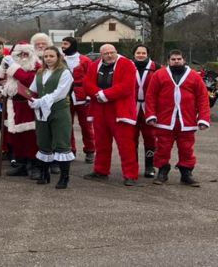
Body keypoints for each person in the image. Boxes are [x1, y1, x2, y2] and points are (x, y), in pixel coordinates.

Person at [145, 49, 211, 186]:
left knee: (186, 148)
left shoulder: (194, 76)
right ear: (168, 61)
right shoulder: (159, 75)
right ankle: (162, 171)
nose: (176, 61)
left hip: (186, 120)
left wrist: (203, 118)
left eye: (179, 59)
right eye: (173, 59)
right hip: (164, 119)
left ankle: (186, 173)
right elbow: (150, 96)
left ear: (184, 60)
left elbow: (203, 98)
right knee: (162, 147)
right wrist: (151, 115)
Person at [82, 44, 140, 186]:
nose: (109, 55)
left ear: (116, 52)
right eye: (106, 53)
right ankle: (100, 171)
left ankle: (130, 174)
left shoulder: (127, 64)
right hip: (100, 108)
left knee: (125, 144)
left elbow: (127, 86)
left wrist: (104, 94)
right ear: (101, 54)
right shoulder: (94, 65)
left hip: (120, 109)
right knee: (101, 142)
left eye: (112, 52)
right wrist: (98, 94)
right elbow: (87, 83)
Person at [29, 46, 74, 189]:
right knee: (43, 142)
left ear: (58, 57)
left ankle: (64, 178)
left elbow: (59, 93)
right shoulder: (40, 72)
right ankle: (44, 174)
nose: (48, 59)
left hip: (59, 111)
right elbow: (33, 90)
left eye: (51, 56)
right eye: (45, 56)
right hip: (42, 112)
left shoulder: (65, 72)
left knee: (61, 143)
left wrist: (40, 101)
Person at [0, 42, 42, 179]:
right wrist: (2, 89)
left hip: (28, 104)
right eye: (20, 54)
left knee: (31, 136)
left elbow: (29, 81)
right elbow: (3, 80)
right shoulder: (11, 67)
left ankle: (35, 165)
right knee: (15, 137)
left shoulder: (37, 66)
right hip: (12, 104)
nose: (23, 57)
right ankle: (21, 164)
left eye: (26, 54)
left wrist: (13, 67)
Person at [62, 37, 95, 164]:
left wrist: (89, 95)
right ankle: (71, 150)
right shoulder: (60, 60)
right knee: (67, 125)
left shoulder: (85, 60)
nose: (63, 46)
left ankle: (90, 150)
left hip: (83, 97)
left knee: (86, 126)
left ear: (73, 45)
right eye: (63, 44)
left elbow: (92, 78)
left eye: (66, 44)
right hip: (65, 96)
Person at [132, 44, 158, 178]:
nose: (140, 55)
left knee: (150, 138)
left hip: (149, 108)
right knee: (131, 138)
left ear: (147, 54)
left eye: (143, 53)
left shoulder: (157, 68)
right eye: (138, 53)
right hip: (132, 107)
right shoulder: (128, 67)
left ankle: (149, 166)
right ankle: (133, 167)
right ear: (134, 54)